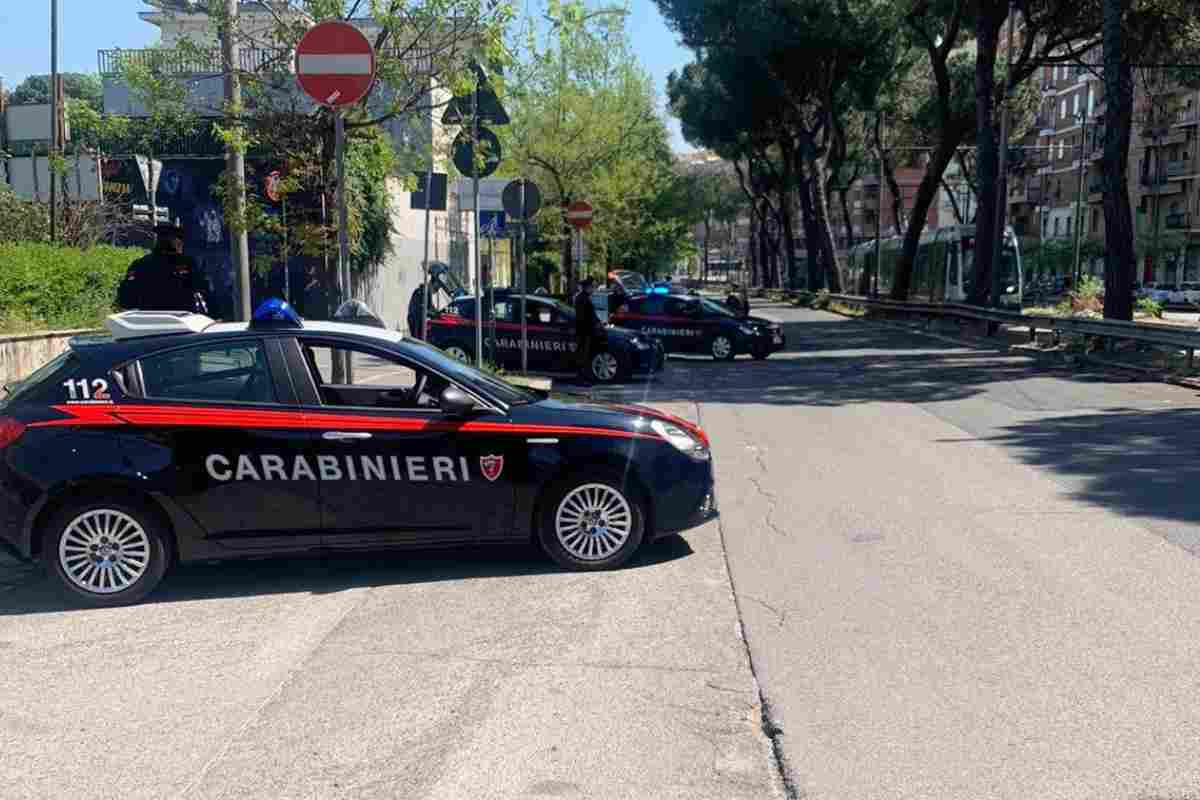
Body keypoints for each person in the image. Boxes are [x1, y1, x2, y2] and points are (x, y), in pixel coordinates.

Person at [117, 223, 208, 313]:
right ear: (175, 242)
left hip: (146, 321)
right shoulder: (187, 263)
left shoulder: (139, 264)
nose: (181, 244)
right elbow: (203, 290)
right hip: (182, 321)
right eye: (179, 239)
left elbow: (125, 300)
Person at [574, 276, 601, 381]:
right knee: (583, 355)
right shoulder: (582, 298)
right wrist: (596, 323)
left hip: (585, 330)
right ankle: (581, 378)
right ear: (587, 287)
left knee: (585, 354)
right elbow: (587, 315)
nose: (593, 289)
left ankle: (584, 377)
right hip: (584, 331)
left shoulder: (582, 297)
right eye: (592, 287)